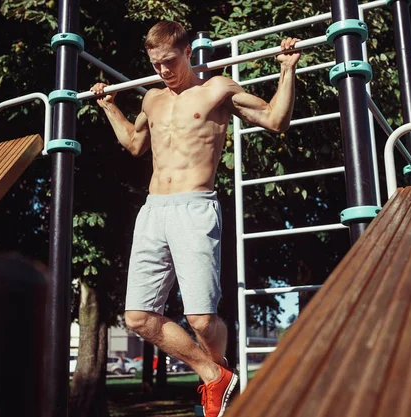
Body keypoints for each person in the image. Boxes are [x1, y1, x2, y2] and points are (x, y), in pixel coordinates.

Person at [90, 20, 301, 417]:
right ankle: (213, 376)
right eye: (155, 64)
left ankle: (217, 379)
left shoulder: (217, 89)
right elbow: (134, 144)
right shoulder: (151, 98)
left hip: (195, 206)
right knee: (137, 316)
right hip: (153, 210)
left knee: (201, 320)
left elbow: (276, 120)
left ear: (187, 52)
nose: (163, 71)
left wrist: (287, 69)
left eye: (170, 61)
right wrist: (110, 107)